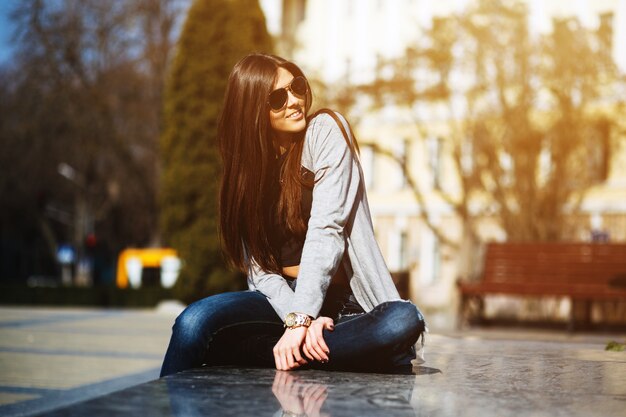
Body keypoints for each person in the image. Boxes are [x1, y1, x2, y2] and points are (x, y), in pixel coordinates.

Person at [160, 53, 425, 377]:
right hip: (280, 305)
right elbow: (261, 273)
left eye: (296, 87)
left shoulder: (325, 130)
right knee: (193, 322)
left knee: (401, 321)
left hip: (348, 309)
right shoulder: (247, 176)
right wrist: (298, 319)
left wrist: (303, 319)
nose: (295, 100)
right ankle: (316, 351)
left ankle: (272, 353)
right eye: (277, 97)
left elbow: (327, 229)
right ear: (253, 110)